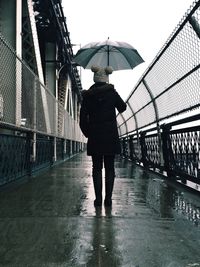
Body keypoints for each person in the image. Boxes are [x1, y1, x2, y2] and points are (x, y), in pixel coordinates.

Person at [79, 65, 127, 207]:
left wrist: (89, 133)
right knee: (110, 168)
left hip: (95, 136)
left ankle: (98, 200)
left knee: (97, 168)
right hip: (110, 136)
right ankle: (108, 200)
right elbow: (122, 107)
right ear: (107, 77)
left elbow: (82, 119)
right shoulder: (111, 92)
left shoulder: (87, 96)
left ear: (94, 78)